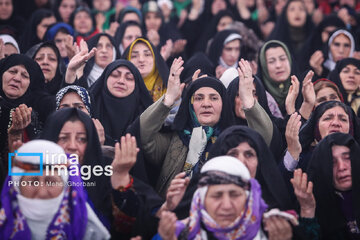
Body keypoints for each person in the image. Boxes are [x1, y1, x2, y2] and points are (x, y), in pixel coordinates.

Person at [137, 57, 234, 197]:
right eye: (199, 98)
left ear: (223, 104)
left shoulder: (234, 141)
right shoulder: (174, 140)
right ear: (190, 105)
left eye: (213, 98)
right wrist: (169, 98)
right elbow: (142, 134)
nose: (206, 104)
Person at [158, 156, 296, 240]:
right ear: (201, 200)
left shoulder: (273, 231)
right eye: (216, 196)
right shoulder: (177, 233)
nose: (226, 205)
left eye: (235, 195)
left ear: (248, 198)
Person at [0, 139, 110, 239]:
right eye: (32, 182)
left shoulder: (90, 232)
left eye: (51, 181)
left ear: (65, 185)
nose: (42, 192)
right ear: (17, 185)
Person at [40, 108, 112, 227]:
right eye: (63, 138)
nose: (72, 146)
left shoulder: (105, 177)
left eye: (81, 139)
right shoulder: (32, 178)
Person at [307, 133, 360, 239]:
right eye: (332, 162)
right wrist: (307, 211)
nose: (341, 167)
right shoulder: (315, 205)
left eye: (347, 158)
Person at [90, 59, 153, 146]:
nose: (121, 81)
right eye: (115, 75)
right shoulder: (89, 109)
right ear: (105, 78)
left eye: (129, 78)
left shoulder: (145, 115)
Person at [268, 0, 314, 64]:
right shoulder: (276, 39)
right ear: (285, 14)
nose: (297, 13)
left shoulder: (315, 39)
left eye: (301, 9)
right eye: (292, 9)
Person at [124, 38, 169, 102]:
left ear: (155, 58)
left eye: (147, 55)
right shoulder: (121, 88)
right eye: (134, 56)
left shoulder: (168, 89)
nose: (141, 60)